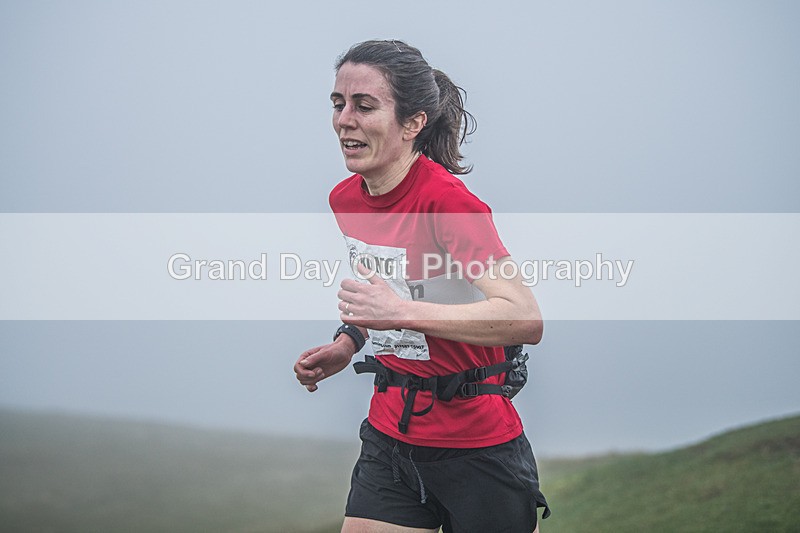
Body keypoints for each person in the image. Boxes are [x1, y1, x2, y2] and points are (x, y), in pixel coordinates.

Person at [293, 40, 550, 533]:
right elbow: (394, 291)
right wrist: (347, 343)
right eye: (338, 103)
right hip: (391, 435)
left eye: (364, 106)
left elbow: (524, 317)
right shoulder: (345, 199)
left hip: (477, 448)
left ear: (413, 124)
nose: (345, 119)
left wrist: (398, 313)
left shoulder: (448, 203)